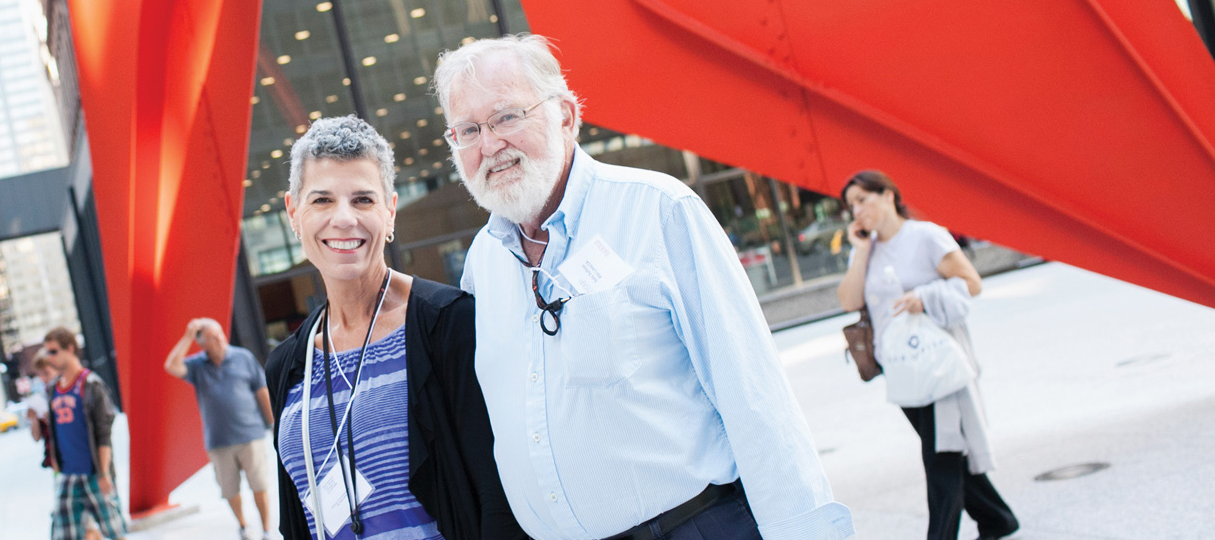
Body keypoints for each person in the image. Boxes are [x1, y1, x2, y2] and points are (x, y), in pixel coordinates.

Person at [433, 34, 853, 539]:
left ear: (565, 115)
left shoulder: (658, 211)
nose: (490, 144)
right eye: (469, 130)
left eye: (506, 117)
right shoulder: (483, 264)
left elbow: (752, 394)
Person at [265, 115, 524, 540]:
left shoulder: (450, 326)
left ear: (390, 211)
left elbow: (499, 499)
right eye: (322, 200)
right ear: (294, 212)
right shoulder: (288, 366)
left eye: (363, 200)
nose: (343, 218)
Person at [835, 170, 1019, 540]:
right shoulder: (867, 249)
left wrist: (925, 298)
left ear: (888, 195)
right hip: (898, 368)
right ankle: (997, 518)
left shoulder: (925, 236)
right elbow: (849, 301)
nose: (857, 209)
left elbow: (971, 283)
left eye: (863, 198)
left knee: (941, 458)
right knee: (944, 452)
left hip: (936, 363)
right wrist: (860, 251)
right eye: (851, 204)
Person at [164, 317, 277, 540]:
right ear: (202, 343)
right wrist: (188, 336)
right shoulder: (197, 366)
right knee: (230, 490)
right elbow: (171, 366)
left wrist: (273, 423)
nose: (220, 339)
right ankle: (244, 526)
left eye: (219, 334)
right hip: (219, 441)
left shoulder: (243, 357)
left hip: (250, 435)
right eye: (213, 337)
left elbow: (261, 390)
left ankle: (265, 530)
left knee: (260, 484)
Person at [38, 326, 129, 540]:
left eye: (53, 352)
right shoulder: (53, 389)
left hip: (94, 473)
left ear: (70, 349)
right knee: (64, 534)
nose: (49, 358)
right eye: (47, 352)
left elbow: (103, 433)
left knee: (114, 531)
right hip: (67, 475)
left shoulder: (91, 385)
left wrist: (104, 473)